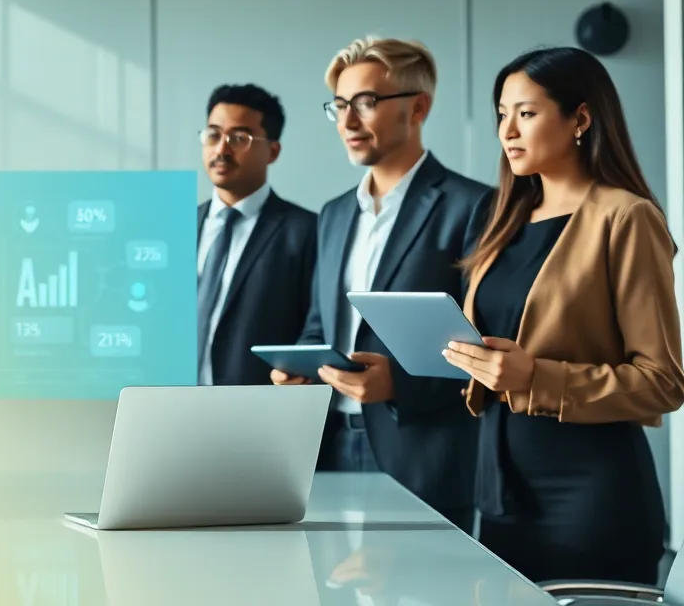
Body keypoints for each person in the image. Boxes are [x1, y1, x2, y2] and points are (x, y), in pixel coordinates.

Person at [443, 47, 684, 584]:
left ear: (580, 118)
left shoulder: (626, 218)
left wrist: (536, 376)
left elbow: (663, 383)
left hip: (591, 492)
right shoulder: (500, 218)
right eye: (501, 114)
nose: (508, 130)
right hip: (501, 484)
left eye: (525, 113)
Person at [273, 37, 489, 532]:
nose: (348, 121)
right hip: (329, 448)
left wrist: (401, 384)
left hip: (422, 451)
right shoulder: (332, 215)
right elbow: (317, 324)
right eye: (340, 106)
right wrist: (299, 366)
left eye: (366, 103)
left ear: (418, 107)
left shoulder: (472, 207)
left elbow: (489, 342)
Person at [196, 84, 317, 386]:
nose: (221, 149)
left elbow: (318, 326)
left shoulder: (307, 232)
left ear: (273, 151)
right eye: (213, 135)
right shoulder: (175, 228)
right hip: (168, 409)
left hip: (260, 411)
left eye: (239, 138)